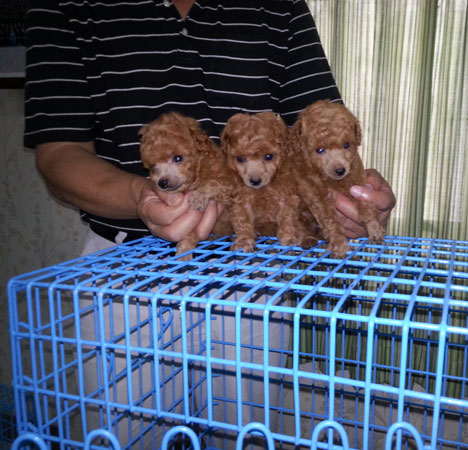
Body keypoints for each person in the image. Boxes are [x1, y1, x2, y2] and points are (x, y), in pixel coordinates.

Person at [24, 0, 396, 447]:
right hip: (124, 271)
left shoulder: (281, 7)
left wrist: (354, 197)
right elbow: (58, 152)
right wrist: (141, 197)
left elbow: (319, 129)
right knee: (125, 437)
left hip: (255, 270)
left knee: (246, 436)